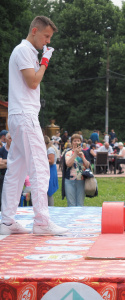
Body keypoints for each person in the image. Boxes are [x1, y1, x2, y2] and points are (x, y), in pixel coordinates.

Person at [0, 16, 68, 235]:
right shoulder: (23, 51)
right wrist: (45, 62)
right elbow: (33, 81)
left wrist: (42, 59)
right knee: (39, 167)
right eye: (46, 36)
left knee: (16, 170)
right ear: (35, 31)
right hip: (25, 115)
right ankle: (41, 222)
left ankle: (7, 221)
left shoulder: (26, 52)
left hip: (20, 115)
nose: (47, 41)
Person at [64, 133, 91, 206]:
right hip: (69, 180)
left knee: (80, 203)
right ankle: (71, 217)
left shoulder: (84, 152)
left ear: (81, 142)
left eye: (78, 141)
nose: (76, 142)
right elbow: (68, 164)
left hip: (81, 180)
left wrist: (82, 157)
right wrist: (75, 154)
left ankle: (79, 217)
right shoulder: (68, 152)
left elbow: (88, 166)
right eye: (75, 141)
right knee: (71, 203)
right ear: (72, 142)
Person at [44, 136, 58, 206]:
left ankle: (50, 207)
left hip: (51, 170)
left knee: (49, 191)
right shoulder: (49, 149)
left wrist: (40, 160)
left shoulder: (50, 150)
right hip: (49, 170)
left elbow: (51, 161)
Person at [0, 133, 12, 210]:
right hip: (3, 176)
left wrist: (5, 162)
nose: (12, 140)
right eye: (10, 138)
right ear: (6, 139)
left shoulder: (17, 151)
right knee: (2, 196)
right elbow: (0, 165)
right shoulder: (2, 150)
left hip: (14, 176)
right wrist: (12, 163)